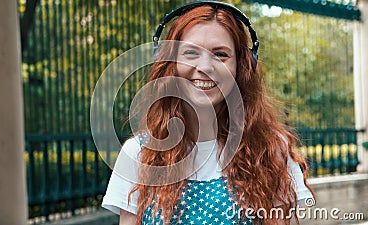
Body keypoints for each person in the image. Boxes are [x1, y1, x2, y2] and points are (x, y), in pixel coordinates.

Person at [102, 1, 314, 225]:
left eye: (220, 54)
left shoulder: (270, 150)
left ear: (241, 66)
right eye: (191, 52)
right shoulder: (138, 154)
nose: (204, 66)